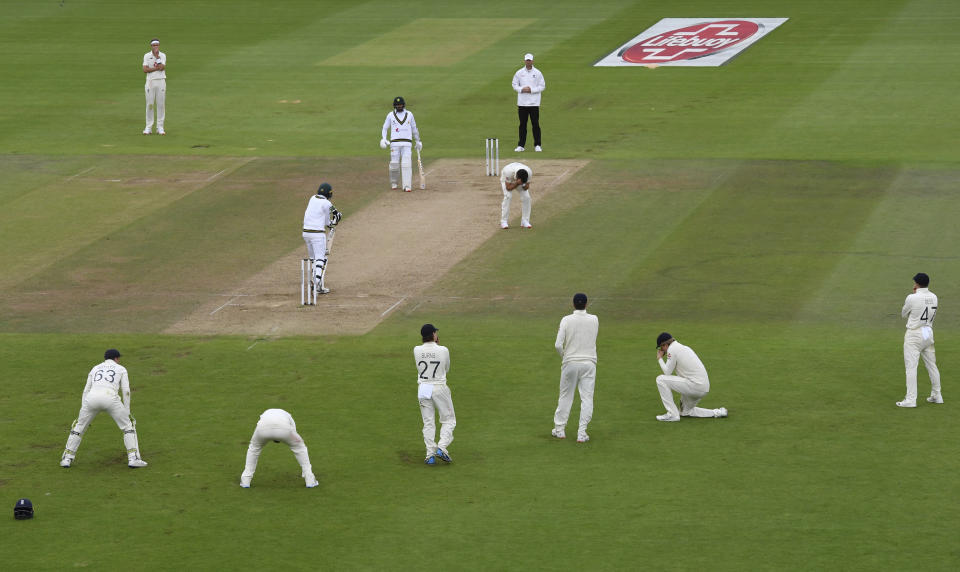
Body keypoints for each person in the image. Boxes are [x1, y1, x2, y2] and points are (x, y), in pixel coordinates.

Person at [60, 349, 148, 468]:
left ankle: (67, 458)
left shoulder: (95, 368)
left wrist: (83, 409)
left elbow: (86, 390)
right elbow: (126, 391)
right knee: (128, 425)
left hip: (91, 399)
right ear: (116, 358)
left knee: (79, 426)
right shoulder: (121, 369)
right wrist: (127, 411)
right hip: (110, 398)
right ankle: (133, 458)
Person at [552, 293, 599, 442]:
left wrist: (565, 356)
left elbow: (558, 345)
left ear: (573, 304)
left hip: (570, 363)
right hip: (589, 364)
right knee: (587, 398)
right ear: (586, 304)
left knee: (566, 396)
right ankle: (582, 433)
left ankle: (559, 430)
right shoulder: (594, 319)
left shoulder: (566, 320)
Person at [654, 333, 727, 422]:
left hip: (694, 386)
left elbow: (667, 372)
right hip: (703, 388)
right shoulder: (683, 347)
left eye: (661, 348)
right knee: (685, 412)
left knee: (660, 379)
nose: (661, 350)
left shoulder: (672, 349)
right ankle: (718, 412)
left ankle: (672, 414)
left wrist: (659, 358)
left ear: (665, 345)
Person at [240, 408, 318, 488]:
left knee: (253, 449)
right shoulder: (288, 415)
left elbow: (258, 426)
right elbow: (294, 432)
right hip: (284, 430)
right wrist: (296, 442)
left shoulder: (265, 414)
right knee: (300, 448)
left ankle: (245, 480)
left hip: (262, 429)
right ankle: (310, 480)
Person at [898, 272, 943, 407]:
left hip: (914, 334)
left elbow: (903, 314)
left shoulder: (912, 297)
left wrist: (914, 294)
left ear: (917, 284)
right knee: (932, 365)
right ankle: (937, 395)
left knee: (911, 367)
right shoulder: (934, 297)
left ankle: (911, 400)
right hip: (927, 332)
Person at [414, 323, 455, 465]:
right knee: (449, 420)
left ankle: (429, 455)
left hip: (423, 388)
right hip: (439, 387)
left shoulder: (416, 350)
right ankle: (442, 447)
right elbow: (447, 368)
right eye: (435, 333)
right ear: (433, 335)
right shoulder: (443, 350)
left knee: (428, 422)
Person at [302, 183, 341, 295]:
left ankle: (318, 285)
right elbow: (337, 215)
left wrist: (330, 224)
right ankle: (316, 282)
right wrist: (335, 221)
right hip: (317, 234)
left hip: (306, 233)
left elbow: (325, 220)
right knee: (321, 259)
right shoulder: (327, 203)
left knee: (313, 259)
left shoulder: (312, 198)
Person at [380, 96, 423, 192]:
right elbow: (385, 128)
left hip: (407, 143)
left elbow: (414, 129)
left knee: (406, 164)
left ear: (403, 105)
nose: (399, 106)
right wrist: (384, 139)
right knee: (394, 164)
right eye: (397, 105)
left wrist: (418, 140)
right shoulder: (390, 115)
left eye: (400, 105)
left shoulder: (409, 114)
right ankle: (394, 182)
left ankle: (407, 186)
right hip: (394, 143)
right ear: (394, 106)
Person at [511, 53, 545, 152]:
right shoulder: (519, 72)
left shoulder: (538, 73)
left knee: (535, 124)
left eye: (530, 60)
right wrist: (522, 89)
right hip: (522, 103)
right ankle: (521, 145)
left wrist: (531, 90)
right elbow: (514, 84)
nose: (528, 62)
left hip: (534, 103)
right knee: (522, 124)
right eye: (527, 60)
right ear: (524, 61)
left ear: (532, 61)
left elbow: (542, 86)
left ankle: (537, 145)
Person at [142, 38, 166, 135]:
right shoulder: (147, 56)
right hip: (150, 82)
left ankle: (160, 127)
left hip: (161, 81)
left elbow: (162, 67)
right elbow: (144, 69)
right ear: (151, 46)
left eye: (157, 45)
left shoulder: (162, 55)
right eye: (154, 45)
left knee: (160, 104)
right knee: (150, 104)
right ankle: (148, 127)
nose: (156, 46)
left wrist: (157, 57)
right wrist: (156, 68)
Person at [499, 161, 533, 229]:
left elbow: (526, 187)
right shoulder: (508, 171)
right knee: (508, 196)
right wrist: (517, 183)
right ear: (517, 177)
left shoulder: (529, 172)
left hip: (519, 179)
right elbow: (508, 188)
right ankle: (504, 221)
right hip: (508, 179)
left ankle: (525, 221)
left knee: (527, 197)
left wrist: (523, 184)